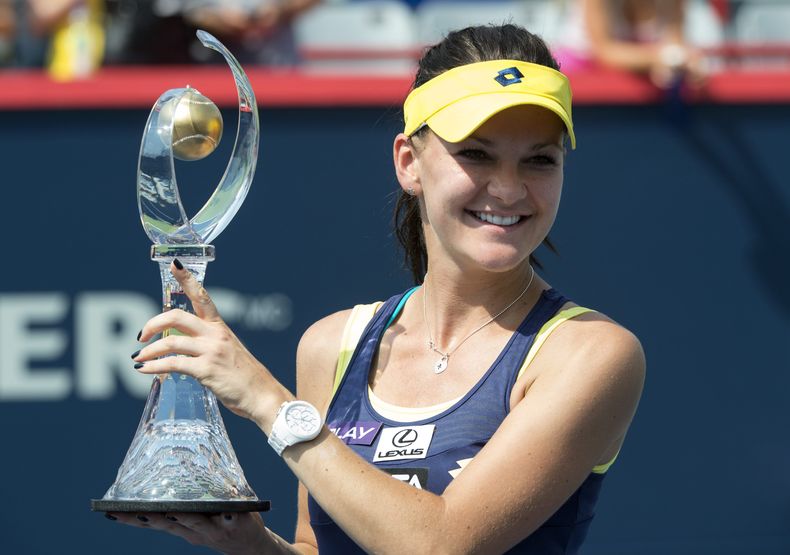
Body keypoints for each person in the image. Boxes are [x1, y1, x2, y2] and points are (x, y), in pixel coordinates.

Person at [108, 23, 646, 554]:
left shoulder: (591, 353)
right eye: (476, 154)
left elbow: (442, 546)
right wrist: (252, 545)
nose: (508, 188)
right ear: (409, 163)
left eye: (539, 159)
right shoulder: (332, 345)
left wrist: (269, 402)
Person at [555, 0, 706, 89]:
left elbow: (675, 47)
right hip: (579, 77)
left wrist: (686, 65)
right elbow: (604, 52)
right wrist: (669, 58)